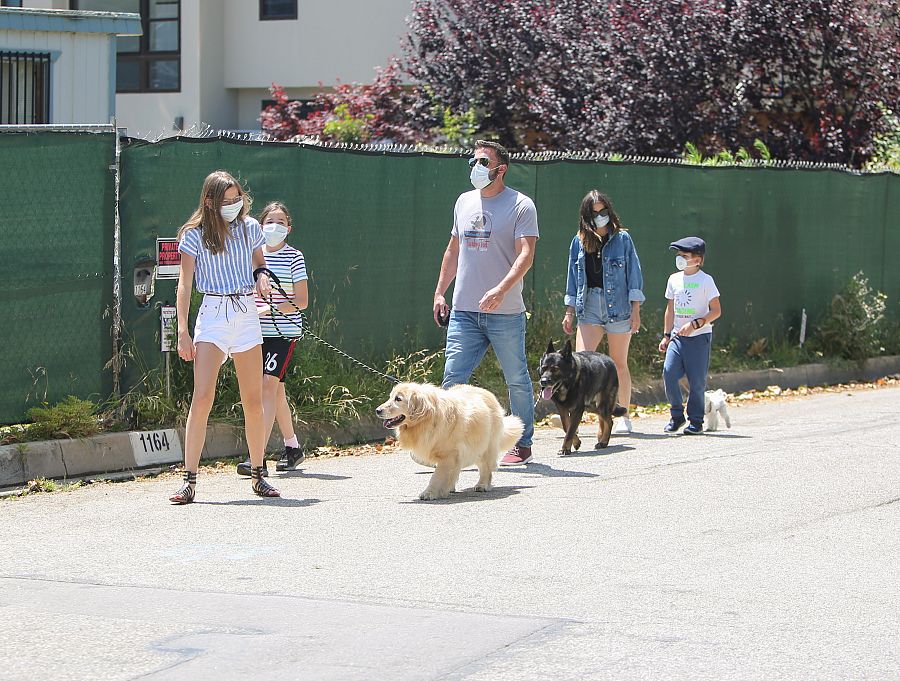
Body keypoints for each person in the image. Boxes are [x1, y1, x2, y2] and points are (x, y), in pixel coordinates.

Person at [169, 170, 280, 504]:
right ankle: (189, 481)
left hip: (246, 312)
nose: (234, 205)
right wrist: (183, 331)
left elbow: (259, 264)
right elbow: (185, 284)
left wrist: (262, 278)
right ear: (209, 201)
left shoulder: (250, 228)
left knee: (253, 400)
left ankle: (259, 475)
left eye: (237, 199)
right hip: (213, 314)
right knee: (202, 397)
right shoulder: (193, 236)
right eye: (227, 201)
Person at [433, 140, 539, 466]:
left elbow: (526, 254)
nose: (475, 168)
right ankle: (445, 448)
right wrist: (440, 292)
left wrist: (502, 289)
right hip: (464, 310)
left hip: (504, 312)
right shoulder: (463, 202)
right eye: (473, 161)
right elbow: (453, 251)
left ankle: (521, 444)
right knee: (452, 380)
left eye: (483, 162)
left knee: (517, 379)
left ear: (500, 169)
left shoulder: (521, 205)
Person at [562, 190, 645, 434]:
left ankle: (623, 415)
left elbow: (634, 276)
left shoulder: (623, 239)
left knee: (619, 363)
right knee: (581, 363)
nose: (600, 216)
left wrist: (635, 309)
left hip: (618, 308)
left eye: (603, 211)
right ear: (586, 215)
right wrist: (569, 312)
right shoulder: (578, 241)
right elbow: (572, 279)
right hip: (588, 306)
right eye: (595, 213)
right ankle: (575, 420)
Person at [236, 201, 308, 477]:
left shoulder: (295, 257)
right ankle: (292, 447)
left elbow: (302, 301)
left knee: (268, 385)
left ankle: (257, 457)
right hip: (254, 333)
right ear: (260, 225)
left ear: (289, 228)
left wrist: (274, 308)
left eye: (280, 222)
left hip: (283, 333)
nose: (274, 227)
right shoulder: (253, 256)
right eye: (269, 222)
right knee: (275, 392)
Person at [657, 237, 722, 435]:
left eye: (685, 255)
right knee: (669, 373)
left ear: (698, 259)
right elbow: (670, 310)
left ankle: (696, 420)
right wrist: (666, 335)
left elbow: (716, 310)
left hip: (699, 338)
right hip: (677, 338)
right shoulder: (673, 279)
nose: (680, 259)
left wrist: (696, 324)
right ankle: (677, 416)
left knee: (697, 381)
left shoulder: (706, 280)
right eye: (679, 255)